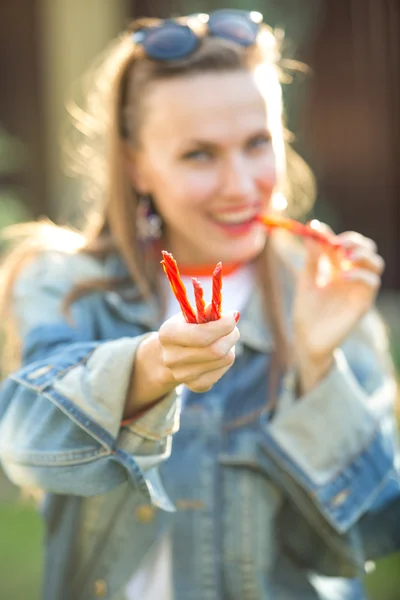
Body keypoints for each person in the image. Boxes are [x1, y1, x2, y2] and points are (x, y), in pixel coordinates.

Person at [0, 9, 399, 600]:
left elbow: (374, 535)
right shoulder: (64, 283)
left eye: (257, 143)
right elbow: (25, 449)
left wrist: (317, 366)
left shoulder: (329, 295)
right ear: (137, 165)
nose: (241, 184)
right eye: (199, 155)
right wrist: (152, 368)